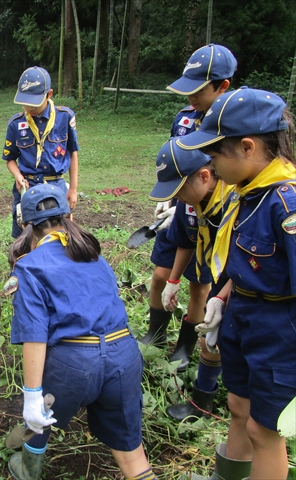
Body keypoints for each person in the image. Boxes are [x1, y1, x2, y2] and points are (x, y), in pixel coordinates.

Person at [177, 87, 296, 480]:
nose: (209, 163)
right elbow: (246, 262)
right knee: (239, 406)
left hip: (278, 330)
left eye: (214, 155)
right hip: (243, 313)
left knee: (266, 429)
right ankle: (227, 475)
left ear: (247, 147)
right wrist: (222, 296)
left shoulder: (285, 203)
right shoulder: (249, 193)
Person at [7, 183, 157, 480]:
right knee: (133, 458)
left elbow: (35, 335)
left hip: (74, 365)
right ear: (68, 218)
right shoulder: (95, 256)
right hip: (124, 357)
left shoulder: (29, 267)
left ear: (26, 226)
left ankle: (28, 468)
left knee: (41, 415)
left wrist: (32, 396)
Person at [140, 44, 237, 372]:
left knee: (199, 285)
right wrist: (170, 198)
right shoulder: (183, 118)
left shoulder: (231, 130)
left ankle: (183, 349)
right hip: (184, 209)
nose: (190, 97)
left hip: (214, 217)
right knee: (161, 276)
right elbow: (172, 158)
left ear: (222, 87)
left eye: (198, 90)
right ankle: (155, 336)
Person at [149, 139, 235, 422]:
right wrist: (173, 280)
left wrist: (222, 296)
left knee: (216, 340)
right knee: (211, 340)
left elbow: (242, 260)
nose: (178, 197)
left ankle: (205, 401)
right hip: (213, 265)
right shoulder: (190, 202)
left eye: (179, 191)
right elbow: (186, 239)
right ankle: (202, 404)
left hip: (236, 279)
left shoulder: (234, 203)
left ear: (205, 176)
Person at [2, 66, 79, 238]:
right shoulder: (16, 124)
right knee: (25, 237)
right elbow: (10, 158)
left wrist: (73, 188)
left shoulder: (65, 117)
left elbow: (73, 153)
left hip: (56, 187)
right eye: (25, 102)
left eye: (34, 102)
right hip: (28, 187)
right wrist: (17, 175)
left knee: (60, 237)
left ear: (49, 94)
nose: (29, 107)